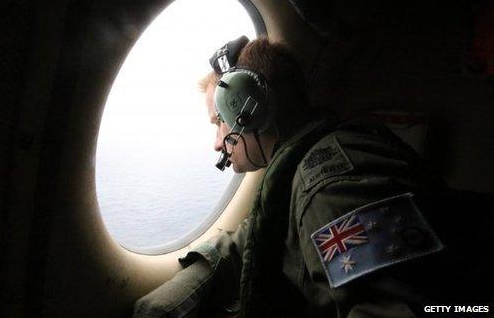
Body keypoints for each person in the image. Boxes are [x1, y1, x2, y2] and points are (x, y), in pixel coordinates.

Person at [133, 36, 450, 318]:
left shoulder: (332, 186)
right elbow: (258, 235)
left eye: (219, 121)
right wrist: (184, 288)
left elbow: (399, 306)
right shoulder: (299, 168)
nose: (218, 142)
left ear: (249, 112)